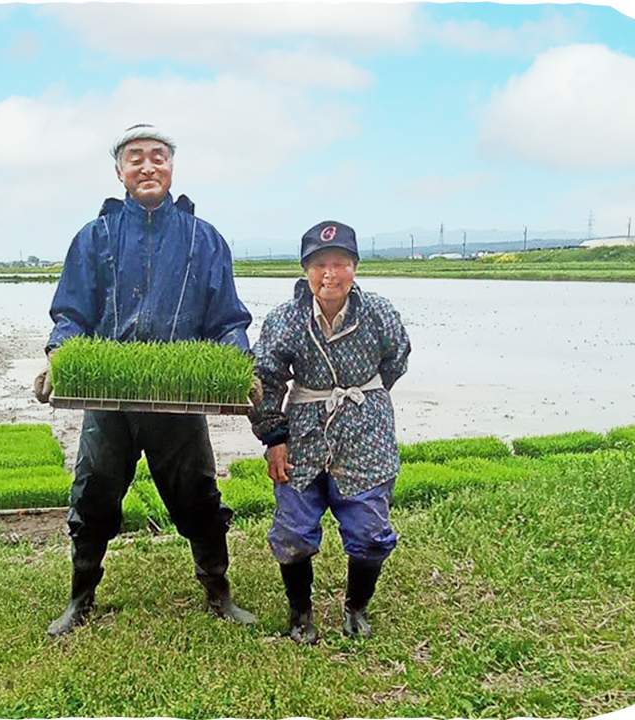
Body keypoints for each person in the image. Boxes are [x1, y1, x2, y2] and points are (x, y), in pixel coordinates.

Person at [34, 124, 256, 637]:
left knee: (198, 497)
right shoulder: (94, 238)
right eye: (136, 158)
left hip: (177, 405)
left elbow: (227, 320)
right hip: (107, 403)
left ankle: (218, 592)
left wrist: (239, 368)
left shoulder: (204, 239)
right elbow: (70, 315)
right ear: (119, 172)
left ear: (172, 167)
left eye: (158, 157)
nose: (148, 166)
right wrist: (58, 359)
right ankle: (80, 596)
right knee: (91, 497)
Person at [248, 220, 411, 644]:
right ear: (305, 270)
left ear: (354, 267)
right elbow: (266, 379)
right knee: (292, 530)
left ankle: (356, 608)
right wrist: (274, 437)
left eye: (340, 263)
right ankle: (300, 614)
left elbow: (396, 361)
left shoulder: (379, 313)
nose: (329, 274)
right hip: (303, 431)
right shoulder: (286, 319)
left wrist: (365, 402)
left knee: (369, 531)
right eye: (319, 264)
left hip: (366, 430)